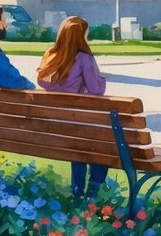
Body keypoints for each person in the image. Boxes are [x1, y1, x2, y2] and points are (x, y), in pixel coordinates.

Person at [37, 17, 108, 198]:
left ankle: (77, 190)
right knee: (105, 144)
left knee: (79, 143)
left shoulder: (50, 55)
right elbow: (96, 90)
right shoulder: (84, 58)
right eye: (86, 32)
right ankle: (92, 192)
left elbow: (42, 82)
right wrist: (100, 77)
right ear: (81, 35)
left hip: (53, 126)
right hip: (74, 122)